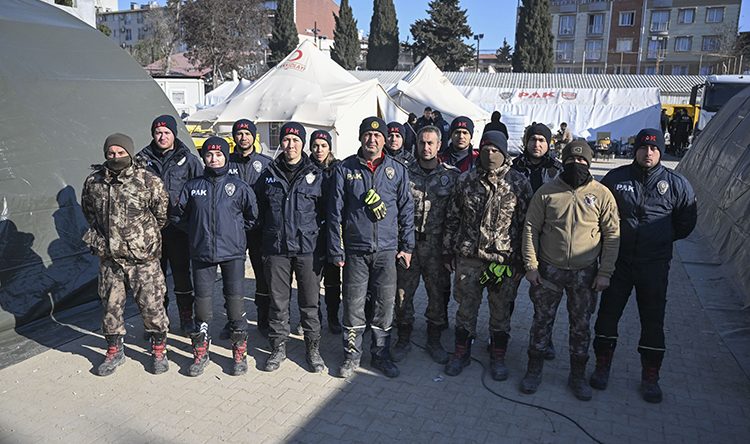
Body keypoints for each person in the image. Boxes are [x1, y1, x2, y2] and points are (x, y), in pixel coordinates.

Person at [592, 129, 697, 403]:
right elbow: (599, 215)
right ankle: (602, 365)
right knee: (607, 316)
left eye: (653, 148)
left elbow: (686, 223)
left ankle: (650, 375)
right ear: (635, 149)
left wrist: (659, 239)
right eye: (643, 148)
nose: (648, 153)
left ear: (661, 151)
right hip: (618, 263)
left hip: (654, 266)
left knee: (653, 321)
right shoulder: (616, 179)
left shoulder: (676, 183)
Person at [520, 140, 620, 401]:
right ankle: (534, 370)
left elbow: (612, 235)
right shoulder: (546, 192)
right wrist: (531, 266)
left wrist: (605, 272)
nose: (577, 165)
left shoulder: (601, 194)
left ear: (589, 162)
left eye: (582, 161)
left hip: (585, 273)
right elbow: (531, 228)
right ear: (562, 161)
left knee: (581, 326)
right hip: (549, 271)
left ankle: (577, 376)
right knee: (541, 322)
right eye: (571, 160)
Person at [328, 116, 415, 379]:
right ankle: (352, 355)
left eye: (378, 136)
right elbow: (335, 212)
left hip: (387, 252)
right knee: (353, 305)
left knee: (384, 305)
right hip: (355, 250)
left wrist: (407, 247)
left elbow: (406, 210)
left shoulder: (397, 170)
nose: (372, 139)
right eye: (368, 134)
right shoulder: (345, 169)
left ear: (385, 139)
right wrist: (336, 248)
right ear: (360, 137)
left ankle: (380, 355)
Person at [442, 131, 533, 380]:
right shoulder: (466, 180)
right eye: (485, 149)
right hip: (470, 258)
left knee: (500, 311)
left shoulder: (519, 183)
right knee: (465, 309)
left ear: (504, 152)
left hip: (502, 261)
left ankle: (498, 355)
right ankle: (461, 352)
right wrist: (448, 251)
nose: (489, 154)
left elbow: (528, 225)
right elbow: (452, 218)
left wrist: (524, 263)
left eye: (495, 149)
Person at [82, 133, 171, 376]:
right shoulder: (94, 182)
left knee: (152, 305)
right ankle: (114, 351)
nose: (115, 157)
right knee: (110, 307)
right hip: (110, 258)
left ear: (130, 153)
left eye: (121, 152)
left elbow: (161, 215)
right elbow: (89, 212)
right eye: (111, 153)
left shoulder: (148, 181)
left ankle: (159, 349)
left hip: (143, 258)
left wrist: (138, 238)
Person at [172, 137, 258, 377]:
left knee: (235, 305)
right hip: (202, 254)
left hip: (232, 254)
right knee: (202, 307)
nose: (213, 158)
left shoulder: (238, 187)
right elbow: (177, 215)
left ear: (225, 157)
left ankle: (239, 354)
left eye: (218, 154)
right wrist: (197, 233)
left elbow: (252, 217)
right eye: (209, 155)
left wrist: (235, 233)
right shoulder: (193, 186)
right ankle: (201, 353)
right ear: (204, 158)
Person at [254, 122, 326, 373]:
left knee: (310, 302)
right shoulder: (268, 174)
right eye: (286, 140)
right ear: (281, 143)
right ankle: (278, 347)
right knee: (278, 302)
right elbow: (259, 210)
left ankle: (313, 348)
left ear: (302, 144)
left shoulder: (317, 175)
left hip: (308, 249)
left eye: (296, 140)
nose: (291, 145)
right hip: (277, 249)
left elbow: (327, 212)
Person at [392, 126, 460, 364]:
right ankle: (403, 336)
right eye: (422, 143)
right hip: (408, 247)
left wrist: (450, 250)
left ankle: (434, 338)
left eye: (431, 143)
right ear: (416, 144)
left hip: (436, 248)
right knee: (402, 294)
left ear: (439, 145)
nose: (426, 147)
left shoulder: (451, 176)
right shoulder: (403, 173)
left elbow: (456, 216)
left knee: (437, 295)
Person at [136, 115, 202, 334]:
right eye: (158, 132)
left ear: (174, 134)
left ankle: (186, 317)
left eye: (166, 132)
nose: (162, 136)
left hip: (178, 229)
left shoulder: (188, 160)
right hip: (150, 231)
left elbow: (199, 191)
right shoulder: (141, 160)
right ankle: (158, 320)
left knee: (182, 275)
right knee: (154, 279)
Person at [511, 123, 563, 360]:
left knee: (544, 297)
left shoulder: (557, 171)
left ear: (549, 143)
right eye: (533, 139)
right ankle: (499, 334)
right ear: (526, 141)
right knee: (505, 292)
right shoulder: (513, 167)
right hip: (512, 239)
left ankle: (544, 339)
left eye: (542, 140)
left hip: (544, 243)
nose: (537, 144)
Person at [227, 119, 273, 337]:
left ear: (254, 137)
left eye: (247, 133)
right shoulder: (225, 163)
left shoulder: (266, 163)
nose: (243, 137)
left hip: (259, 231)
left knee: (262, 277)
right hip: (233, 232)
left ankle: (263, 319)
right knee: (232, 279)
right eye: (239, 133)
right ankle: (233, 320)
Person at [309, 130, 343, 334]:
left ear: (329, 147)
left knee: (332, 280)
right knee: (313, 279)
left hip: (332, 231)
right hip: (312, 232)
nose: (319, 149)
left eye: (323, 145)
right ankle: (315, 317)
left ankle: (333, 317)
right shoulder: (306, 168)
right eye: (315, 145)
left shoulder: (338, 168)